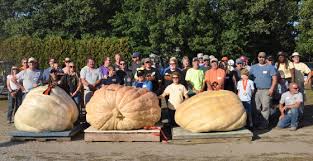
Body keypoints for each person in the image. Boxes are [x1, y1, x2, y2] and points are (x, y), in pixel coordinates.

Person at [250, 52, 277, 129]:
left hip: (266, 90)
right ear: (257, 57)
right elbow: (249, 78)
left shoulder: (270, 67)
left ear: (265, 58)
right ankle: (256, 123)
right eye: (260, 57)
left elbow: (275, 79)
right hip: (256, 90)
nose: (261, 58)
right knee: (256, 108)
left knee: (265, 107)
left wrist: (272, 89)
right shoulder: (253, 67)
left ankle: (264, 124)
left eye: (263, 57)